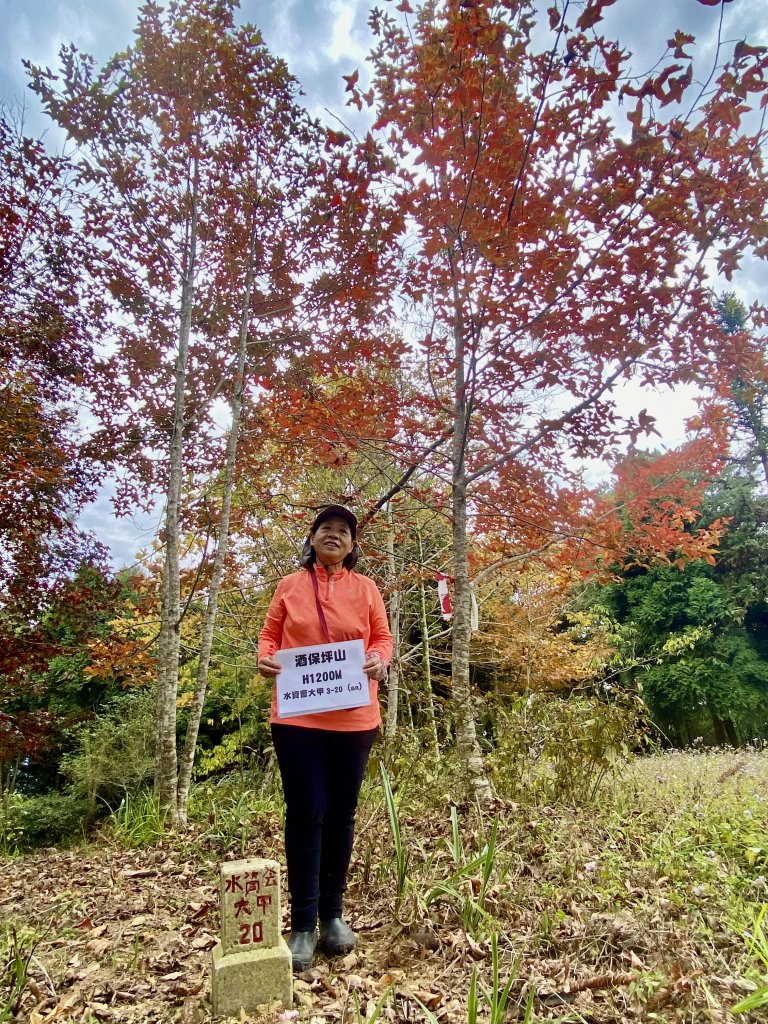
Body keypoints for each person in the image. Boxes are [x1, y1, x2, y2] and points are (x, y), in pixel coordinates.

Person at [257, 504, 392, 972]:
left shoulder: (367, 589)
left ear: (353, 547)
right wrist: (265, 658)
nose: (334, 536)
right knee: (306, 811)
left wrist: (379, 661)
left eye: (343, 532)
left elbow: (382, 639)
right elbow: (269, 636)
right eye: (326, 529)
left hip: (354, 719)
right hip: (298, 719)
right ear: (312, 537)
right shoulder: (289, 586)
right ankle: (303, 924)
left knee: (341, 813)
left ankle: (333, 916)